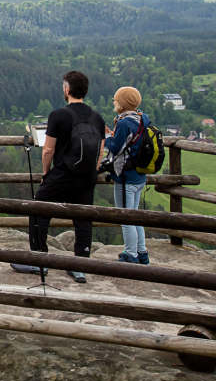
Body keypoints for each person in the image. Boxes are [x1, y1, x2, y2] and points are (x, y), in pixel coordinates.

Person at [11, 71, 105, 284]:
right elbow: (100, 152)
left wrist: (46, 173)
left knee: (38, 209)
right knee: (83, 218)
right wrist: (93, 172)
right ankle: (80, 266)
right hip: (88, 176)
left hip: (63, 174)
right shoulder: (97, 118)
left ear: (67, 89)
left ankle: (39, 260)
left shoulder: (58, 115)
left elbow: (48, 150)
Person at [104, 86, 150, 265]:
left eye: (116, 100)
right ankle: (142, 253)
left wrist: (106, 136)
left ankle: (130, 255)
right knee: (135, 215)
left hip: (125, 177)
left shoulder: (124, 123)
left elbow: (115, 148)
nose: (114, 103)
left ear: (122, 104)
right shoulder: (141, 119)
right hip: (139, 176)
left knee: (125, 217)